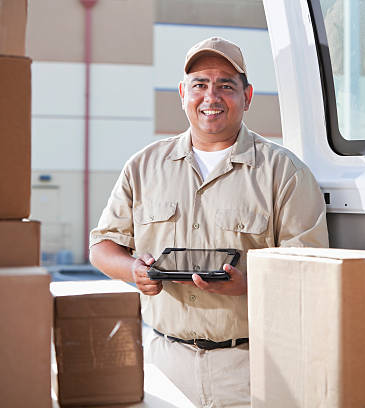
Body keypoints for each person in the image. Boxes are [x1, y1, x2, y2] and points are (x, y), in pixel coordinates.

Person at [89, 36, 329, 407]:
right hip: (163, 360)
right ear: (183, 93)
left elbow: (311, 267)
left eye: (226, 86)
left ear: (247, 96)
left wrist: (249, 285)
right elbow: (102, 246)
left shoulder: (285, 172)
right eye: (200, 84)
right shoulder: (142, 167)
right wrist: (132, 269)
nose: (211, 97)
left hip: (251, 365)